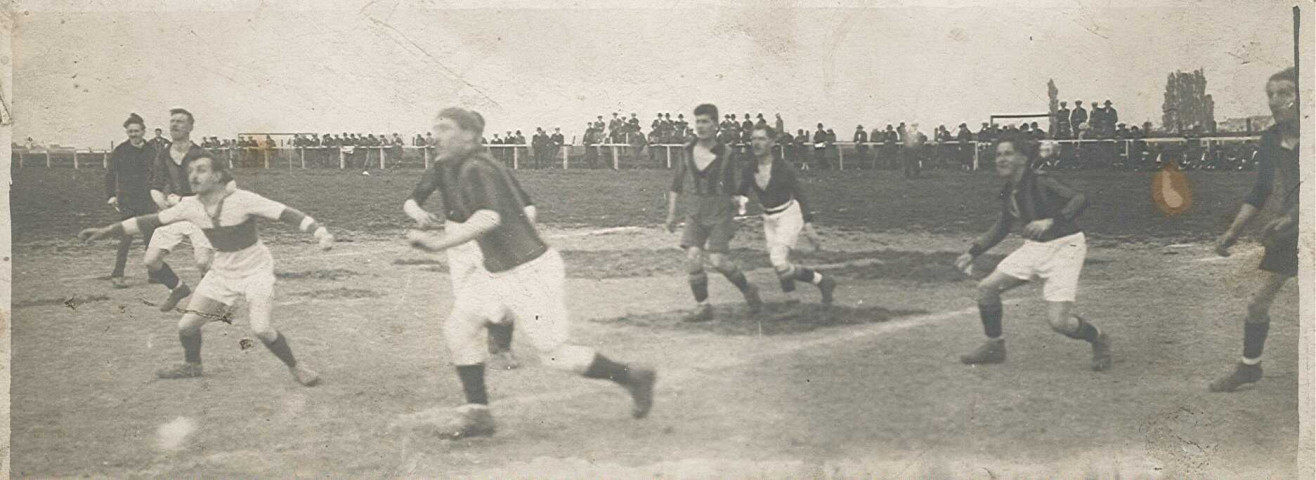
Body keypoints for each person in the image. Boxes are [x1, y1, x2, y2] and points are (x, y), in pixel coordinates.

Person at [403, 107, 656, 438]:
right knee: (458, 329)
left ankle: (631, 375)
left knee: (556, 356)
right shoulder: (465, 166)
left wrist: (439, 243)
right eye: (435, 128)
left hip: (529, 272)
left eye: (445, 128)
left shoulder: (476, 167)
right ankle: (479, 412)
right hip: (498, 271)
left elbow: (489, 218)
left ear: (470, 135)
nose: (436, 135)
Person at [79, 153, 333, 385]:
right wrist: (106, 231)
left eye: (201, 170)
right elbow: (149, 221)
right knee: (186, 327)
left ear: (218, 176)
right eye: (190, 171)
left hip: (256, 271)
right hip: (221, 273)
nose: (193, 176)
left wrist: (319, 231)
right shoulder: (190, 206)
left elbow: (287, 213)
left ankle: (296, 366)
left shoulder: (242, 200)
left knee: (261, 328)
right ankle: (193, 365)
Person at [955, 135, 1111, 371]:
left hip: (1065, 247)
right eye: (998, 155)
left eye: (1007, 154)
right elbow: (1002, 226)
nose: (1001, 159)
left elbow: (1080, 199)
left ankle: (1098, 339)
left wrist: (1051, 220)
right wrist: (972, 252)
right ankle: (995, 345)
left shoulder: (1040, 180)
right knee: (986, 288)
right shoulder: (1010, 190)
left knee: (1058, 322)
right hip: (1034, 247)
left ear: (1022, 158)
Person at [1209, 67, 1300, 392]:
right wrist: (1233, 231)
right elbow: (1261, 190)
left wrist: (1290, 218)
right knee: (1257, 304)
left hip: (1299, 223)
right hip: (1295, 231)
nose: (1276, 101)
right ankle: (1249, 368)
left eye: (1285, 93)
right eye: (1270, 94)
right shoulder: (1271, 138)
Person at [665, 103, 763, 322]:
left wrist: (737, 204)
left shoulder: (726, 154)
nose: (701, 126)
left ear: (715, 125)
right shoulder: (687, 151)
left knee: (719, 262)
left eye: (706, 121)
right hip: (694, 213)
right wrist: (671, 214)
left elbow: (731, 187)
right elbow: (676, 185)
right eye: (698, 121)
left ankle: (748, 289)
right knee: (693, 258)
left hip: (719, 212)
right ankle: (703, 306)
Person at [736, 125, 837, 302]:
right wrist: (738, 205)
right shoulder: (749, 167)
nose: (756, 143)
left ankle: (820, 282)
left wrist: (809, 226)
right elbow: (742, 192)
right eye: (753, 139)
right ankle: (798, 296)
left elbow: (800, 195)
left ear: (772, 142)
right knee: (780, 264)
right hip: (769, 218)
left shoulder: (784, 167)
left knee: (778, 260)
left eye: (761, 139)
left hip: (789, 214)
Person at [145, 108, 226, 313]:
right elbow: (155, 186)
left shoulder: (202, 155)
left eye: (180, 121)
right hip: (177, 214)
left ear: (190, 127)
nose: (175, 125)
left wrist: (182, 200)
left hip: (200, 215)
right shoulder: (163, 155)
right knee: (151, 260)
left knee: (202, 262)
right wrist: (162, 203)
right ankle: (178, 288)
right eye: (172, 121)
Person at [105, 113, 159, 289]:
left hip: (147, 199)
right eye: (130, 132)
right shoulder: (120, 151)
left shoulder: (152, 151)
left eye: (136, 131)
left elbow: (159, 174)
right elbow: (110, 175)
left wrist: (159, 193)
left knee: (151, 237)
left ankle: (153, 273)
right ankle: (118, 274)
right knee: (126, 237)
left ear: (143, 131)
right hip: (127, 199)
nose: (133, 134)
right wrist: (111, 196)